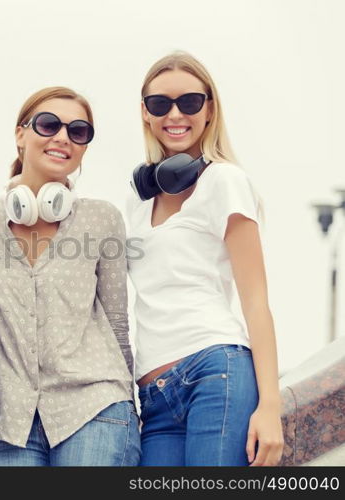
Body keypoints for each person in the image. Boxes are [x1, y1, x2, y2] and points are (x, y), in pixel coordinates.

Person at [0, 87, 140, 466]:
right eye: (48, 124)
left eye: (78, 131)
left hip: (97, 408)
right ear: (20, 134)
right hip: (11, 426)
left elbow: (117, 322)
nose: (62, 137)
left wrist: (132, 413)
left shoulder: (101, 219)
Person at [127, 51, 284, 466]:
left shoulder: (224, 180)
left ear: (210, 108)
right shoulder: (137, 200)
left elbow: (255, 300)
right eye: (160, 104)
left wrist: (270, 405)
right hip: (154, 396)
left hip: (216, 373)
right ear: (145, 113)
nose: (175, 114)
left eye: (190, 102)